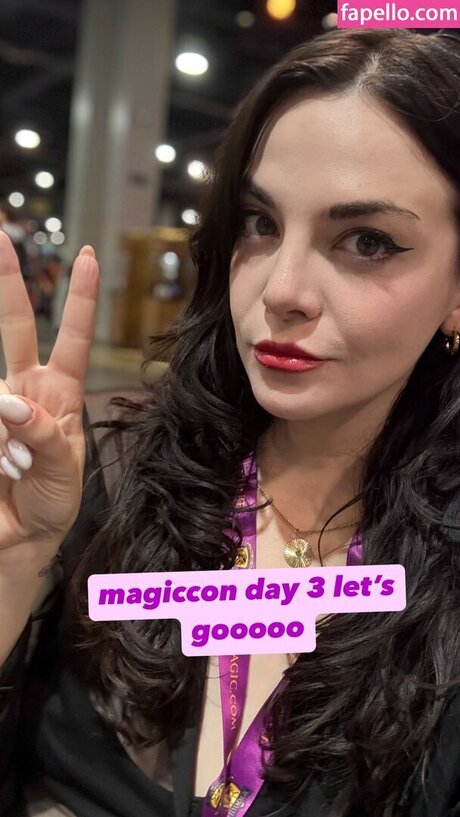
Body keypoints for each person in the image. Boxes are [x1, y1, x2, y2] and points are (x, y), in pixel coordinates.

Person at [1, 25, 460, 817]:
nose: (282, 289)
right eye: (260, 223)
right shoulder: (117, 487)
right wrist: (19, 559)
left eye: (367, 240)